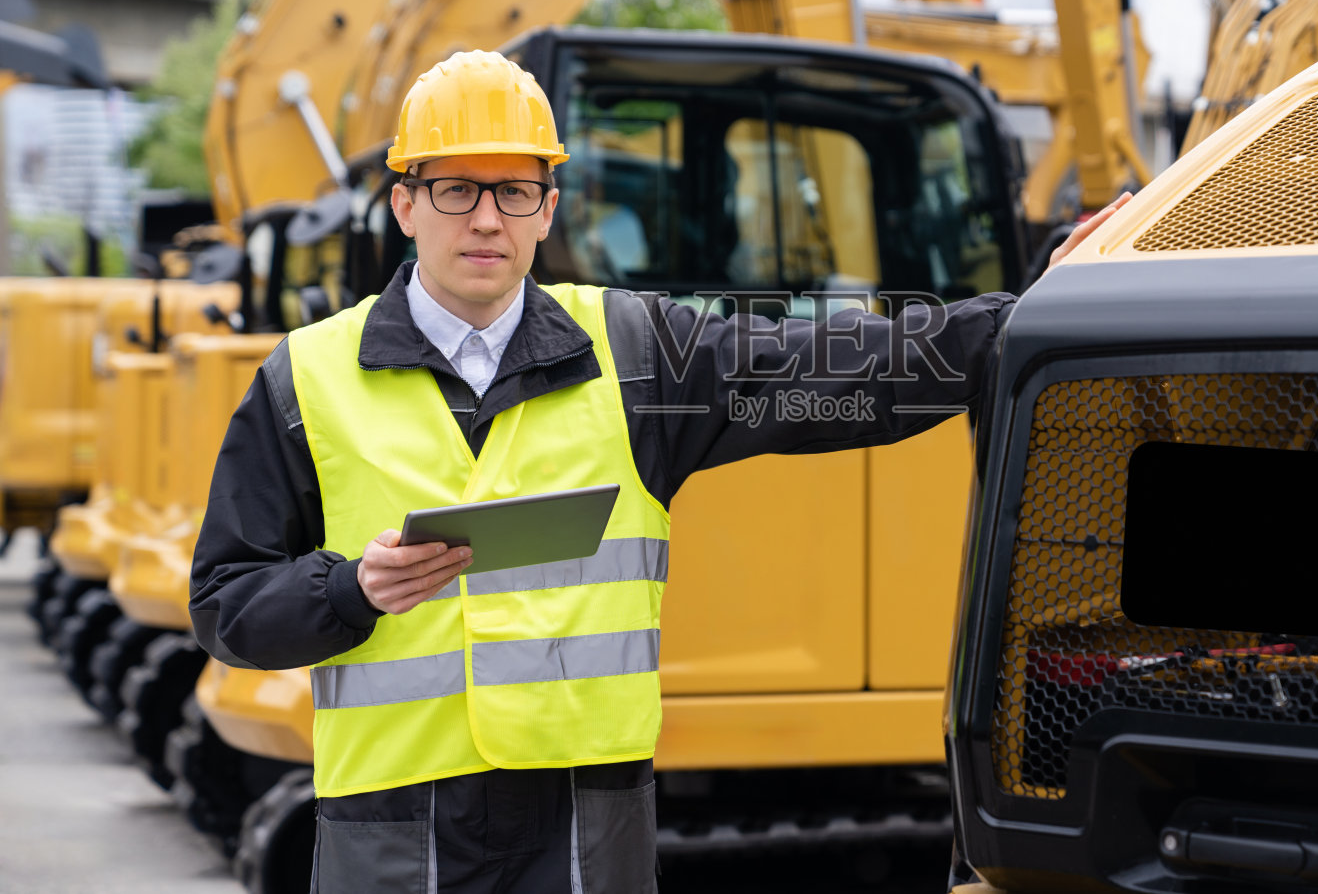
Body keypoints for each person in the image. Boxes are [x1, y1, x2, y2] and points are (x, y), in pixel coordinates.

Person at [189, 49, 1127, 893]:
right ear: (404, 203)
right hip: (393, 823)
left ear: (548, 208)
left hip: (587, 823)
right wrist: (351, 587)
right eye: (456, 190)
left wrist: (1028, 310)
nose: (487, 218)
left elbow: (837, 368)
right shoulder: (305, 378)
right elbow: (226, 604)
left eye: (515, 192)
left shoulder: (636, 351)